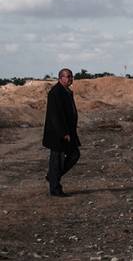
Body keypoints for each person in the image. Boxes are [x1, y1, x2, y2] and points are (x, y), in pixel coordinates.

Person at [42, 68, 80, 197]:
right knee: (57, 161)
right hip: (58, 134)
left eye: (71, 76)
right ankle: (55, 189)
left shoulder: (66, 91)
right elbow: (55, 116)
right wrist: (63, 133)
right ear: (60, 78)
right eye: (68, 77)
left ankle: (52, 177)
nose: (70, 79)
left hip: (68, 131)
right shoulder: (55, 92)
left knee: (74, 154)